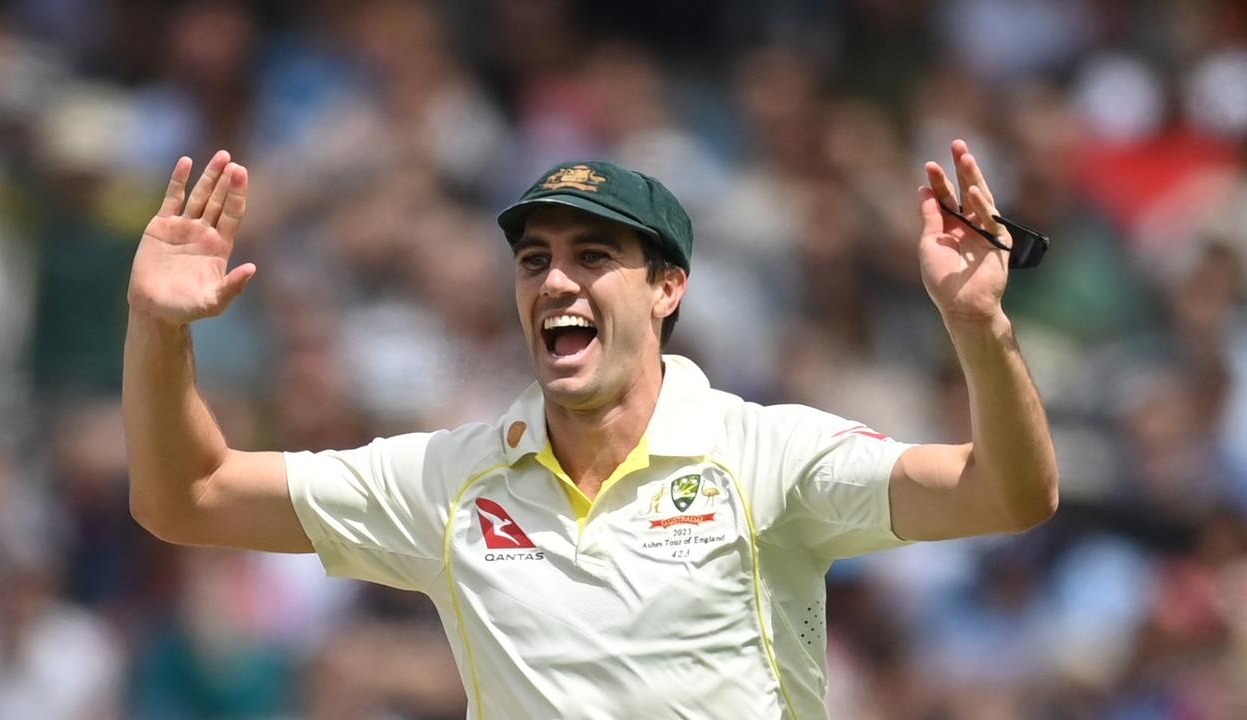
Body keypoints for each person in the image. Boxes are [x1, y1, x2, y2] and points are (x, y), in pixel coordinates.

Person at [123, 142, 1058, 719]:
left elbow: (1008, 494)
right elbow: (186, 497)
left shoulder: (769, 456)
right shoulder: (450, 479)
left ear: (667, 288)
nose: (556, 282)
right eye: (535, 260)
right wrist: (158, 330)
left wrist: (980, 326)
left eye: (593, 256)